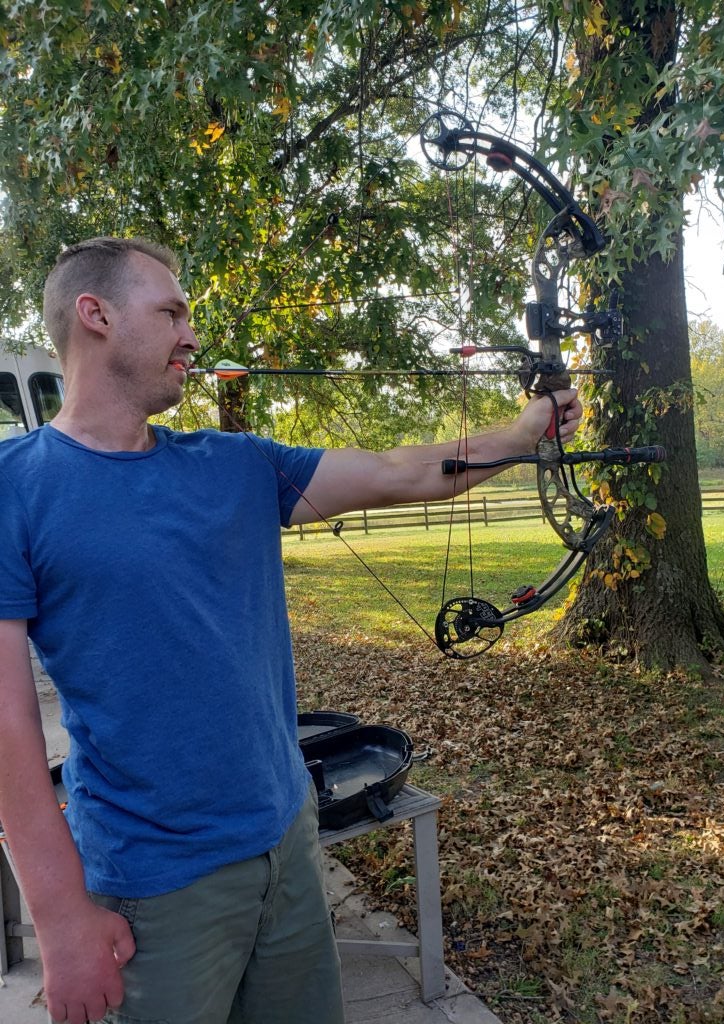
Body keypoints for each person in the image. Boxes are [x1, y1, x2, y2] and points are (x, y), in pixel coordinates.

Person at [0, 237, 583, 1024]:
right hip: (153, 883)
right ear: (95, 315)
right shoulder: (17, 487)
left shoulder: (237, 465)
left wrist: (522, 434)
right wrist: (61, 918)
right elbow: (6, 725)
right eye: (170, 311)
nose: (191, 335)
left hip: (287, 846)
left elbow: (400, 471)